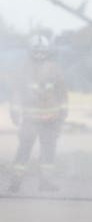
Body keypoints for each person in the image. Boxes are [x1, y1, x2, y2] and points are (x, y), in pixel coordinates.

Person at [8, 34, 68, 193]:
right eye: (37, 51)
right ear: (30, 51)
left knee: (47, 153)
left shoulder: (53, 68)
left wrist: (63, 111)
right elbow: (16, 93)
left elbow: (62, 92)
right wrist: (14, 112)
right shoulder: (23, 69)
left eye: (43, 51)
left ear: (47, 51)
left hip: (50, 120)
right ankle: (16, 182)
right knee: (24, 151)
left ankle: (45, 182)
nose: (40, 54)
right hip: (32, 121)